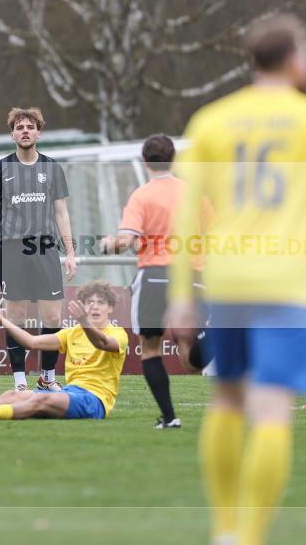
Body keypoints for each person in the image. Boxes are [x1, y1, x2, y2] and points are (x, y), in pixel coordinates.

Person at [166, 14, 306, 545]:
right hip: (285, 278)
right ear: (296, 60)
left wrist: (181, 295)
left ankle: (222, 528)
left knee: (227, 399)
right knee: (273, 406)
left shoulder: (213, 118)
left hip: (230, 276)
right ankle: (250, 536)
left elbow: (187, 214)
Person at [100, 134, 209, 429]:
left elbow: (127, 241)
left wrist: (107, 243)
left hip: (156, 275)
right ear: (173, 159)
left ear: (145, 161)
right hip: (191, 274)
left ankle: (170, 417)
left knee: (151, 348)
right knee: (190, 353)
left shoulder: (142, 195)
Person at [0, 107, 77, 392]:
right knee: (16, 316)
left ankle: (47, 377)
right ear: (12, 134)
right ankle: (20, 381)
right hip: (12, 251)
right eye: (19, 127)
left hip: (45, 249)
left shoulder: (52, 168)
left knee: (53, 316)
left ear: (38, 132)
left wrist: (69, 252)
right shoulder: (0, 168)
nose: (25, 131)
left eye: (30, 126)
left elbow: (61, 214)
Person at [0, 280, 127, 421]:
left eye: (100, 302)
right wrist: (3, 320)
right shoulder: (72, 333)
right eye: (89, 302)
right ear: (83, 306)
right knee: (15, 394)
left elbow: (102, 343)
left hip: (94, 401)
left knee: (41, 399)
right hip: (70, 391)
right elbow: (32, 342)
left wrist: (84, 322)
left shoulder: (118, 333)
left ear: (110, 308)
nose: (94, 306)